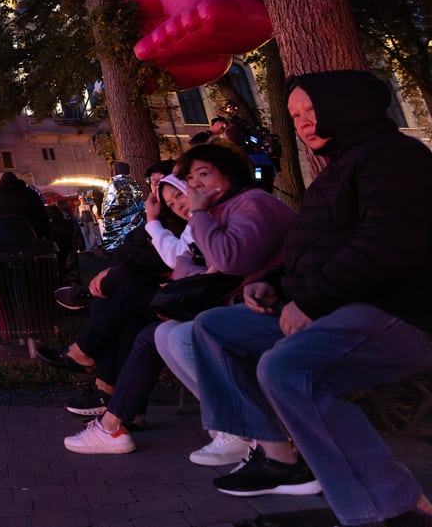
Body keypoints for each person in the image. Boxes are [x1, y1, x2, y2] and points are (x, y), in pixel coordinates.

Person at [191, 71, 432, 526]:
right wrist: (277, 284)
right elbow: (319, 249)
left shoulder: (397, 158)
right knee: (214, 328)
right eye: (295, 115)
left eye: (310, 111)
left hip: (398, 311)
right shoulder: (336, 170)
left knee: (288, 369)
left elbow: (383, 246)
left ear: (347, 107)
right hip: (336, 304)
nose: (301, 123)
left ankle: (391, 507)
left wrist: (312, 302)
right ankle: (276, 454)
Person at [63, 143, 293, 455]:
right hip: (229, 302)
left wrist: (187, 218)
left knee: (146, 312)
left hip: (270, 306)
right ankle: (230, 426)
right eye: (189, 184)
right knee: (150, 325)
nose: (192, 191)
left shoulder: (249, 204)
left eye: (202, 176)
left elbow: (224, 260)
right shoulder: (216, 212)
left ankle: (246, 429)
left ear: (230, 172)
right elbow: (187, 264)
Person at [39, 175, 188, 415]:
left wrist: (152, 222)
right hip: (165, 293)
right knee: (127, 316)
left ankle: (93, 367)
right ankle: (123, 406)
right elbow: (128, 252)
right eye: (170, 201)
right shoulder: (170, 222)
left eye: (179, 195)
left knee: (120, 292)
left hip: (187, 300)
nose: (177, 204)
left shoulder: (194, 223)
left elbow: (174, 259)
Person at [0, 171, 50, 239]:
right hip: (27, 235)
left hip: (2, 237)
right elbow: (42, 214)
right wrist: (40, 233)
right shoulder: (29, 193)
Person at [99, 162, 145, 253]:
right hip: (137, 226)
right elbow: (140, 204)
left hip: (118, 227)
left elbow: (108, 208)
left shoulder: (113, 185)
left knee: (121, 254)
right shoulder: (133, 184)